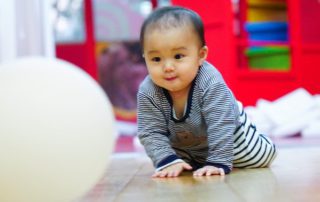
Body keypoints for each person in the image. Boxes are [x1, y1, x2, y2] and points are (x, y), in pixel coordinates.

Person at [137, 6, 277, 178]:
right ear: (145, 57)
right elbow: (150, 131)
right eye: (156, 59)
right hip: (189, 146)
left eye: (178, 56)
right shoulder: (148, 91)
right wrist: (167, 160)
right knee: (181, 162)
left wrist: (218, 161)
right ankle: (195, 159)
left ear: (201, 55)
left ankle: (256, 143)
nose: (168, 67)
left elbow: (221, 122)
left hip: (232, 135)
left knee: (257, 158)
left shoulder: (209, 81)